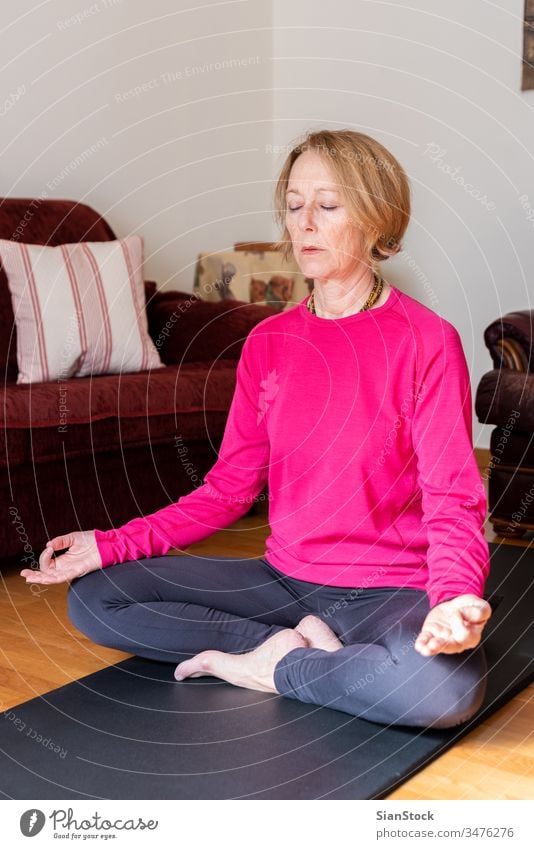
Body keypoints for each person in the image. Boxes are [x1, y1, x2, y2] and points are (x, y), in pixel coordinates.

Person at [21, 129, 492, 729]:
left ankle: (271, 667)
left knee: (440, 694)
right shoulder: (269, 343)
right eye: (294, 206)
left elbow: (453, 498)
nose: (304, 225)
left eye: (327, 206)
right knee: (96, 600)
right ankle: (303, 649)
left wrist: (451, 597)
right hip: (282, 582)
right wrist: (108, 543)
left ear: (378, 220)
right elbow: (228, 490)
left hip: (389, 591)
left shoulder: (427, 341)